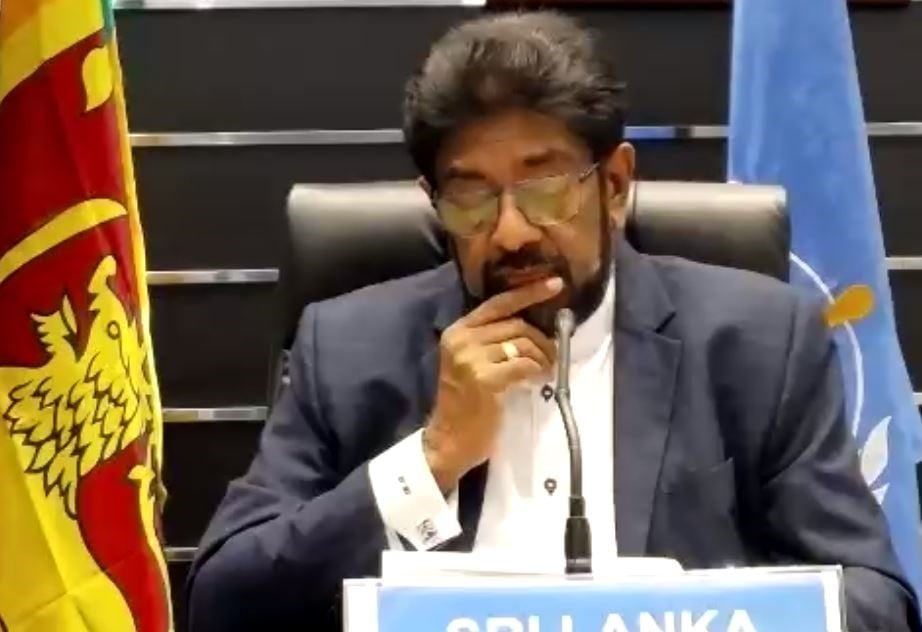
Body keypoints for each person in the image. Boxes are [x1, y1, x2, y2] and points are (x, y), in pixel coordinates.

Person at [186, 12, 919, 632]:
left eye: (545, 190)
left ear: (616, 185)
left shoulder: (758, 343)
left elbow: (875, 600)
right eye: (471, 198)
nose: (510, 232)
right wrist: (432, 459)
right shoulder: (348, 350)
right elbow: (224, 601)